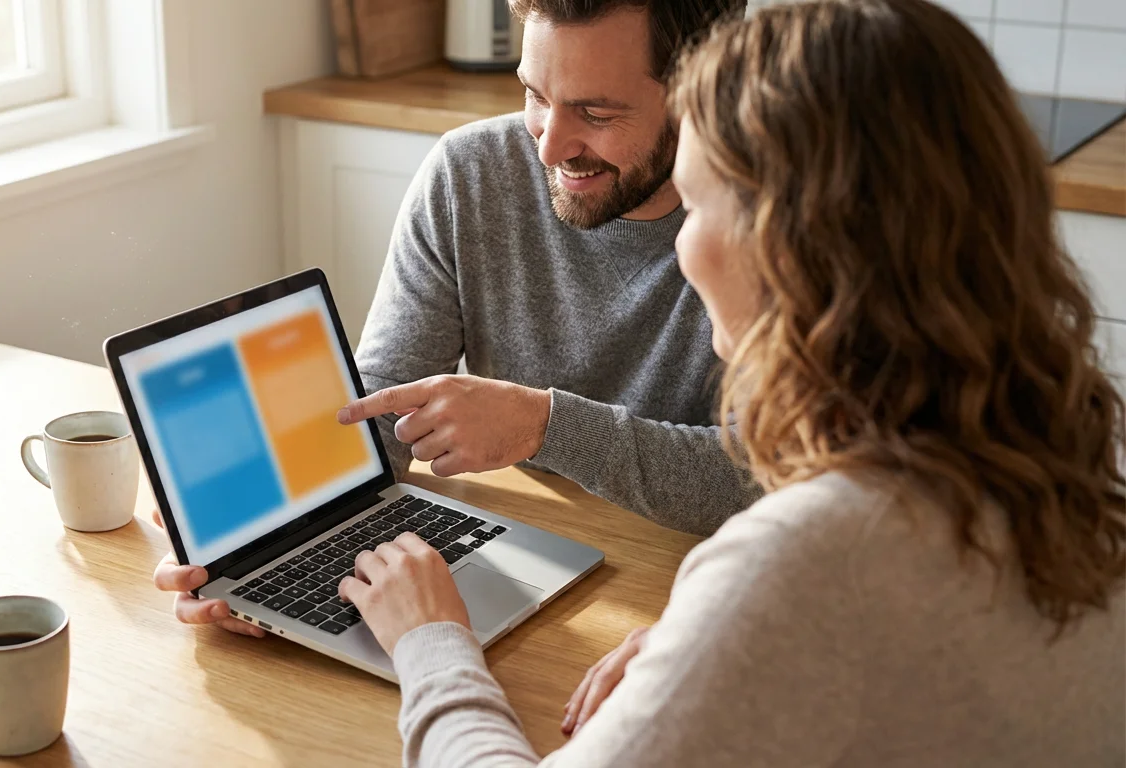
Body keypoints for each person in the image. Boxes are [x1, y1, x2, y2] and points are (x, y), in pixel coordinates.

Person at [337, 0, 1126, 764]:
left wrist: (432, 642)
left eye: (701, 200)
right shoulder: (1058, 482)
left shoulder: (801, 565)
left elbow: (805, 592)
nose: (684, 247)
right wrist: (710, 650)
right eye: (535, 96)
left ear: (795, 249)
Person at [155, 0, 759, 636]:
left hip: (698, 588)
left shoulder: (782, 216)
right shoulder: (470, 172)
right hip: (533, 543)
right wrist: (256, 546)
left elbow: (780, 476)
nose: (549, 146)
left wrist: (545, 426)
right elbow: (383, 406)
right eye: (535, 95)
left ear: (705, 87)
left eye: (597, 114)